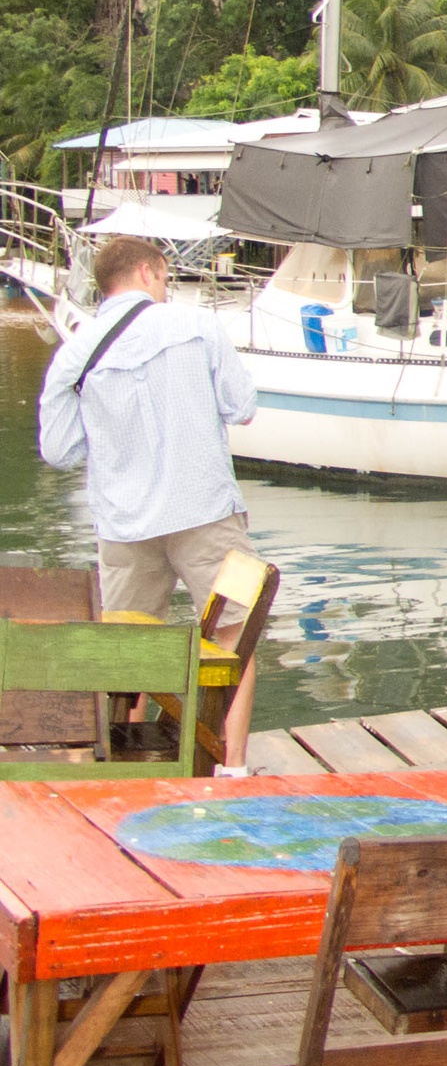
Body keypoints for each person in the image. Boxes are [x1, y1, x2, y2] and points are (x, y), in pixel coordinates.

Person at [37, 235, 261, 770]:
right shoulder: (198, 326)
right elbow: (242, 407)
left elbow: (58, 450)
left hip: (125, 524)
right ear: (147, 272)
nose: (165, 288)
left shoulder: (76, 353)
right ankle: (232, 767)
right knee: (234, 638)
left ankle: (124, 769)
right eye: (164, 277)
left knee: (128, 650)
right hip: (203, 511)